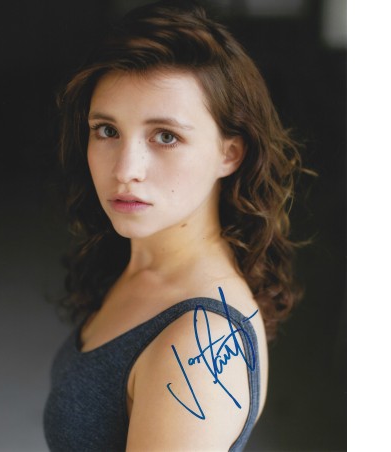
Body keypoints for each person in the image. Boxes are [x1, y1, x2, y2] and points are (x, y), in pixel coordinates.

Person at [43, 0, 303, 450]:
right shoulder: (136, 258)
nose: (126, 169)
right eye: (107, 130)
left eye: (166, 136)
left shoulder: (200, 346)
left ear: (229, 154)